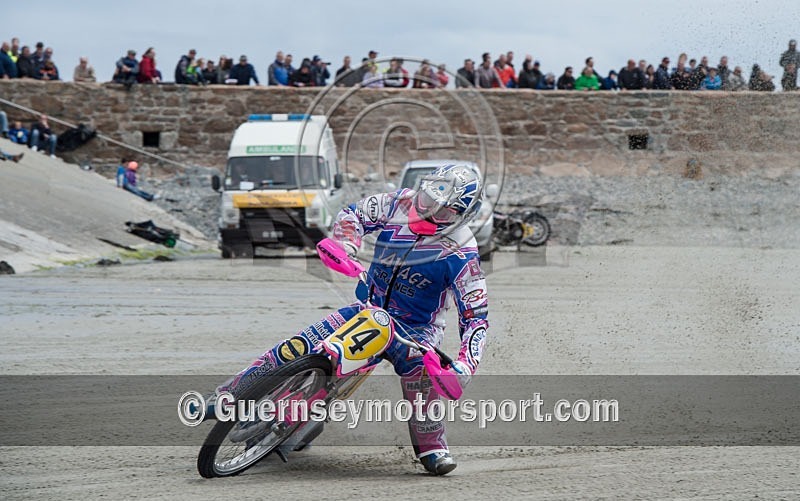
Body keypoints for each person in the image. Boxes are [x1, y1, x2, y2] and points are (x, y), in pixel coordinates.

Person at [214, 163, 489, 476]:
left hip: (416, 331)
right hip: (367, 308)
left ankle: (432, 447)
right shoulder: (398, 202)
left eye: (443, 212)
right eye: (427, 201)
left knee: (422, 378)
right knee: (298, 344)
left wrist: (464, 367)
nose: (428, 212)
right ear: (423, 188)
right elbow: (353, 214)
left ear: (462, 216)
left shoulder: (463, 253)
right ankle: (230, 392)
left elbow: (476, 318)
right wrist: (346, 245)